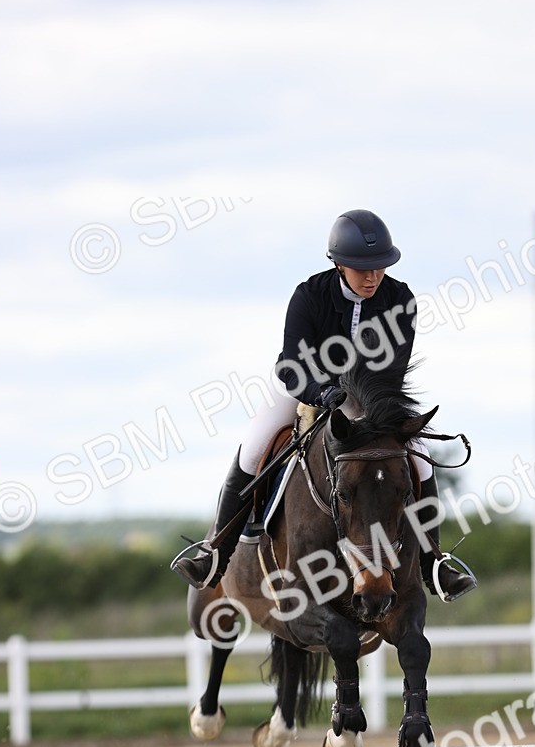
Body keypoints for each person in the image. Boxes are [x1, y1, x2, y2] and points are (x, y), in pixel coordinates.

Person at [172, 209, 476, 601]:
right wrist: (322, 393)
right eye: (363, 269)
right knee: (254, 447)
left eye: (380, 267)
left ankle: (435, 564)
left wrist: (365, 406)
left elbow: (393, 370)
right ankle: (215, 554)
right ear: (338, 264)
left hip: (371, 400)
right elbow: (291, 366)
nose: (373, 277)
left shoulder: (400, 300)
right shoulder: (309, 296)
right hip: (306, 388)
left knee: (421, 457)